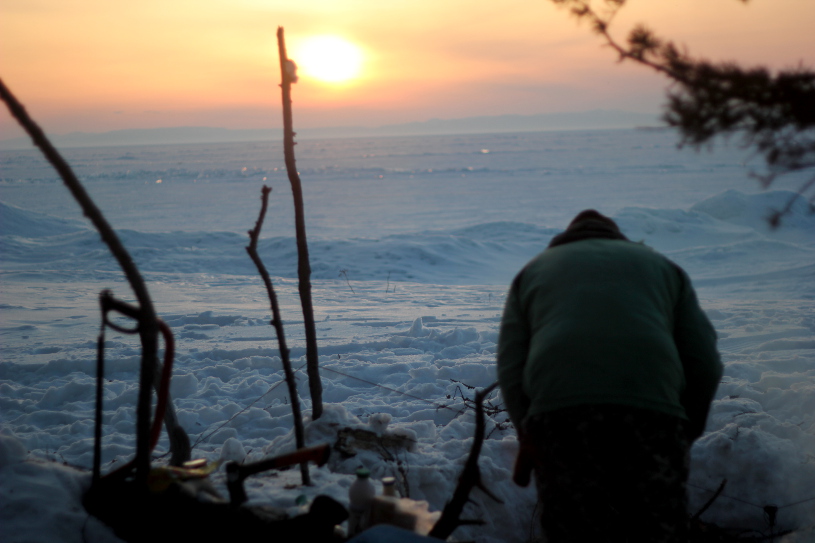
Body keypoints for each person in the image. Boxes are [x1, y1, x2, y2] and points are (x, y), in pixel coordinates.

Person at [497, 210, 722, 543]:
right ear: (618, 237)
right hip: (652, 413)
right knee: (654, 529)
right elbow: (703, 360)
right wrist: (683, 429)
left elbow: (510, 364)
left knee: (575, 529)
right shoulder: (661, 266)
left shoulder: (534, 270)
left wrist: (527, 431)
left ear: (565, 239)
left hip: (561, 417)